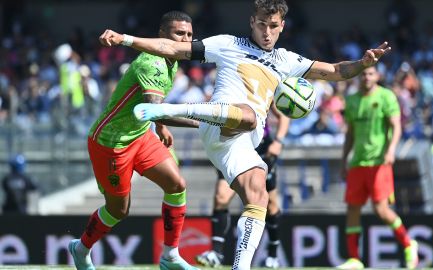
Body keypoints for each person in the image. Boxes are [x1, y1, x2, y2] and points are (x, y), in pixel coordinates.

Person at [99, 1, 390, 268]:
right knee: (251, 117)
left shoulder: (287, 61)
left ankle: (241, 266)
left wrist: (362, 64)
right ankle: (166, 110)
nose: (267, 32)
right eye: (261, 24)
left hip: (240, 142)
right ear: (252, 21)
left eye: (273, 26)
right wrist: (126, 39)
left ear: (282, 26)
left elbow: (336, 71)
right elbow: (172, 48)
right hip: (220, 123)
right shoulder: (227, 44)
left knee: (258, 195)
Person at [69, 11, 200, 270]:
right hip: (112, 143)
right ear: (162, 36)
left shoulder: (172, 60)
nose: (185, 40)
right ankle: (81, 248)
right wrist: (205, 121)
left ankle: (170, 255)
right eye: (179, 34)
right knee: (119, 210)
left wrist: (160, 128)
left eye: (189, 35)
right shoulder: (151, 63)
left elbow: (154, 105)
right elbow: (155, 109)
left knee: (176, 185)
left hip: (140, 135)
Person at [338, 65, 418, 270]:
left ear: (378, 76)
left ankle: (409, 245)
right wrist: (343, 159)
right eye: (363, 73)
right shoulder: (352, 100)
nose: (366, 76)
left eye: (370, 73)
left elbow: (396, 126)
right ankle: (355, 259)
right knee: (352, 209)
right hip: (358, 163)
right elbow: (350, 134)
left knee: (381, 210)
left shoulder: (386, 97)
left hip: (379, 162)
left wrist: (391, 150)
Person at [195, 104, 289, 268]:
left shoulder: (262, 85)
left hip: (261, 149)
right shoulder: (228, 89)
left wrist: (278, 141)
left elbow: (284, 117)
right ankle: (216, 253)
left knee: (271, 205)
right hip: (234, 148)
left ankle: (273, 254)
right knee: (221, 197)